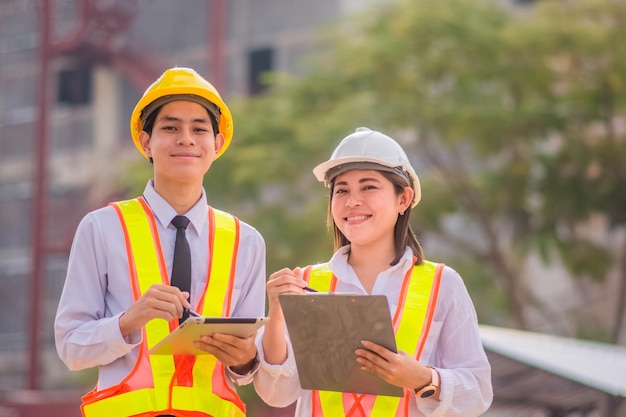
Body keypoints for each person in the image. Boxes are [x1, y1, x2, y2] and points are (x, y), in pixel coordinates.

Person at [54, 67, 267, 417]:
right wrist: (127, 321)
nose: (186, 138)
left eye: (199, 128)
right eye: (170, 127)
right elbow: (71, 347)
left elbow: (248, 361)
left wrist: (246, 360)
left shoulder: (246, 241)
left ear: (217, 143)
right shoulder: (103, 228)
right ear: (145, 141)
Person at [253, 127, 493, 416]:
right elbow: (276, 393)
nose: (352, 201)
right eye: (341, 190)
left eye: (368, 187)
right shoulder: (303, 283)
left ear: (403, 199)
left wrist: (423, 380)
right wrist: (277, 315)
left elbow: (478, 393)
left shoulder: (443, 284)